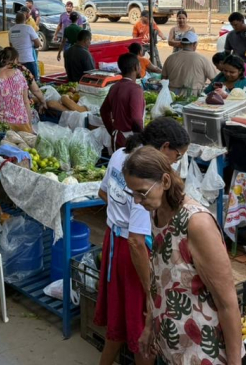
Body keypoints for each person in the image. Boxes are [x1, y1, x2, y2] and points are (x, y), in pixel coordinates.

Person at [125, 146, 243, 365]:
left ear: (165, 181)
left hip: (204, 353)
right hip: (173, 349)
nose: (137, 201)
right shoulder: (156, 212)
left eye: (142, 192)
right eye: (133, 193)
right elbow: (158, 280)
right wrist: (150, 325)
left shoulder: (197, 224)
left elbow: (227, 303)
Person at [93, 122, 157, 365]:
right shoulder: (145, 177)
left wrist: (119, 214)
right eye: (176, 155)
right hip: (132, 252)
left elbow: (103, 193)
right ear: (163, 147)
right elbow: (136, 241)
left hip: (113, 241)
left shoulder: (120, 154)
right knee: (141, 326)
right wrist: (150, 291)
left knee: (119, 318)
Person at [101, 53, 145, 149]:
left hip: (117, 138)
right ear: (136, 67)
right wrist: (143, 140)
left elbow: (103, 111)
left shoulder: (114, 87)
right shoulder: (135, 89)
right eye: (140, 65)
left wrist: (112, 131)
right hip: (130, 141)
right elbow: (136, 119)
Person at [162, 33, 220, 97]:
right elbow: (215, 80)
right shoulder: (202, 59)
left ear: (181, 44)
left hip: (172, 95)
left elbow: (163, 78)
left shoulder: (170, 58)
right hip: (193, 95)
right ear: (195, 44)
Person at [9, 11, 41, 80]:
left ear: (15, 20)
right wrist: (33, 46)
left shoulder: (11, 30)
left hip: (17, 62)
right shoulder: (28, 28)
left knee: (19, 82)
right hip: (28, 60)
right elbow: (38, 44)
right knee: (33, 81)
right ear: (25, 20)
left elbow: (11, 46)